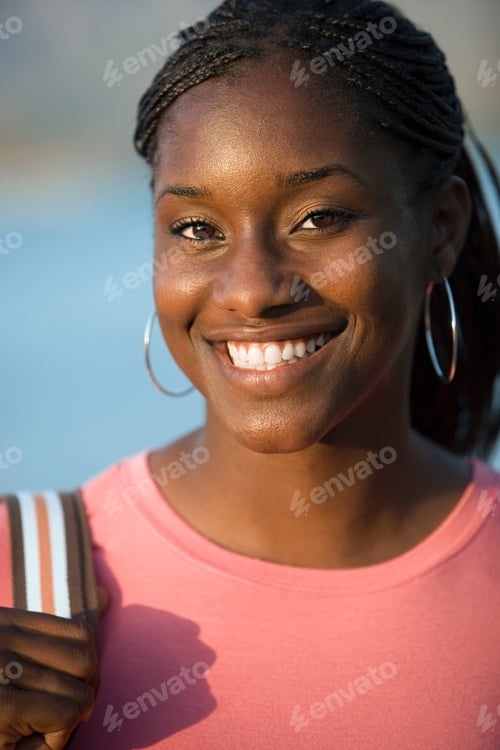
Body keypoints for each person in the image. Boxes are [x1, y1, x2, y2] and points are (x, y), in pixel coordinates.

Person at [1, 0, 500, 747]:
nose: (251, 289)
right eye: (197, 230)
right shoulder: (19, 583)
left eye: (319, 218)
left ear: (439, 232)